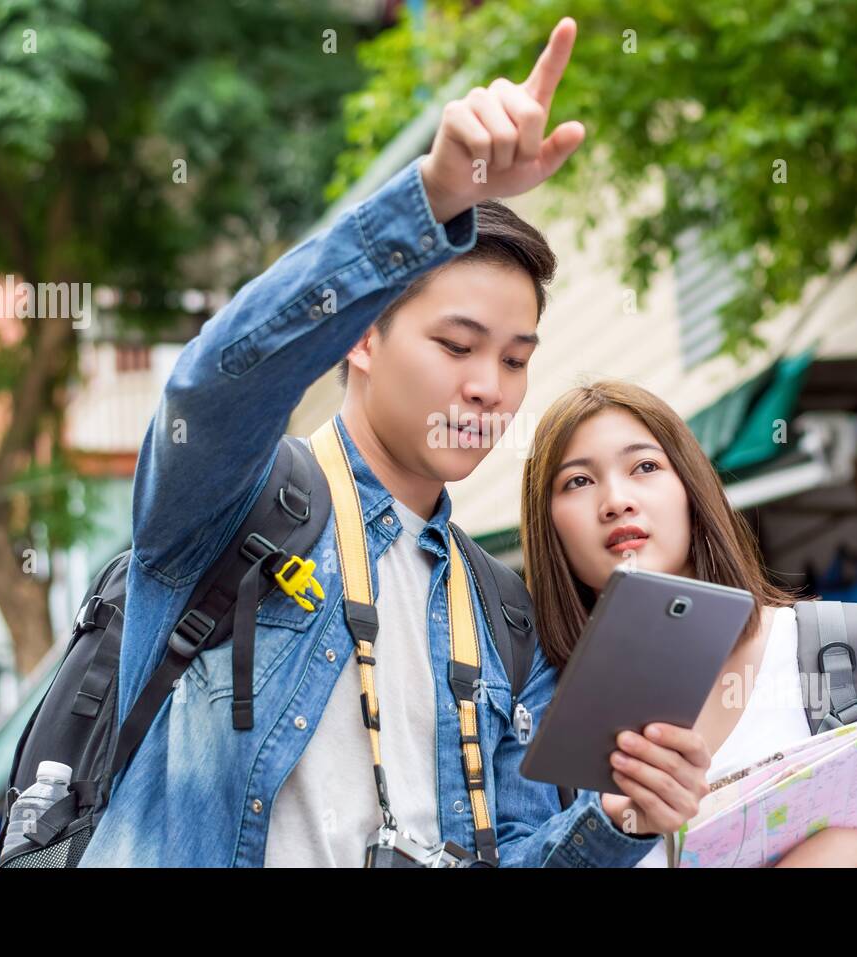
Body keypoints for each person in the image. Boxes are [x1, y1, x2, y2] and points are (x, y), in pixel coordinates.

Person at [80, 18, 710, 868]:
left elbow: (519, 852)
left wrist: (615, 821)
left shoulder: (506, 616)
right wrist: (430, 201)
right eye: (457, 346)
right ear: (361, 339)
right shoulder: (232, 510)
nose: (489, 384)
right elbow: (215, 385)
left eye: (516, 358)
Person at [518, 380, 857, 866]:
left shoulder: (826, 648)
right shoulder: (538, 719)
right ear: (549, 525)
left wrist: (851, 852)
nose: (616, 500)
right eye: (577, 481)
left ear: (690, 490)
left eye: (645, 466)